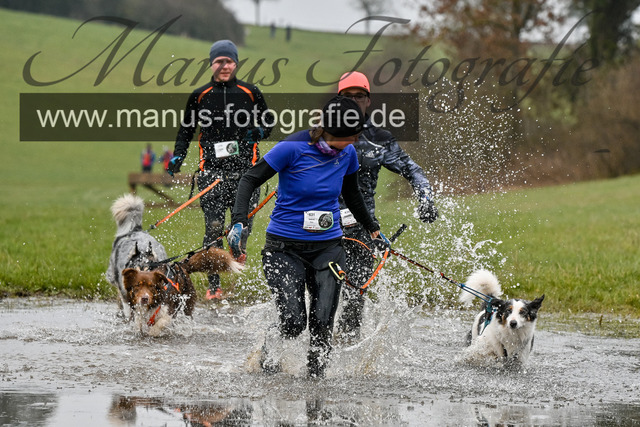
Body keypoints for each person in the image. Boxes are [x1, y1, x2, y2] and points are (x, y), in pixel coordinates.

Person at [229, 96, 382, 378]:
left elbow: (352, 193)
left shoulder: (347, 154)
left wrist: (372, 227)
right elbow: (250, 178)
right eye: (349, 137)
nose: (353, 143)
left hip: (329, 248)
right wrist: (239, 221)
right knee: (293, 322)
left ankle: (316, 386)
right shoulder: (293, 147)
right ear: (328, 131)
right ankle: (267, 356)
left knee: (323, 323)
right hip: (284, 248)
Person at [334, 71, 439, 342]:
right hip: (322, 225)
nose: (354, 101)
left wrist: (425, 196)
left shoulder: (379, 138)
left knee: (355, 297)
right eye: (348, 97)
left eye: (360, 96)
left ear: (368, 101)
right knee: (321, 293)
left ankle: (346, 361)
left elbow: (413, 170)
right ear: (338, 100)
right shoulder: (320, 134)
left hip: (362, 229)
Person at [167, 40, 273, 300]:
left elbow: (268, 120)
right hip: (211, 173)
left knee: (242, 226)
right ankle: (213, 286)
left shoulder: (250, 92)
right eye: (219, 61)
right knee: (213, 228)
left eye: (229, 61)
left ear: (236, 63)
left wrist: (257, 132)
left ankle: (237, 261)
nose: (224, 66)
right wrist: (178, 157)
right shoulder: (200, 95)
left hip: (246, 174)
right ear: (211, 64)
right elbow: (186, 130)